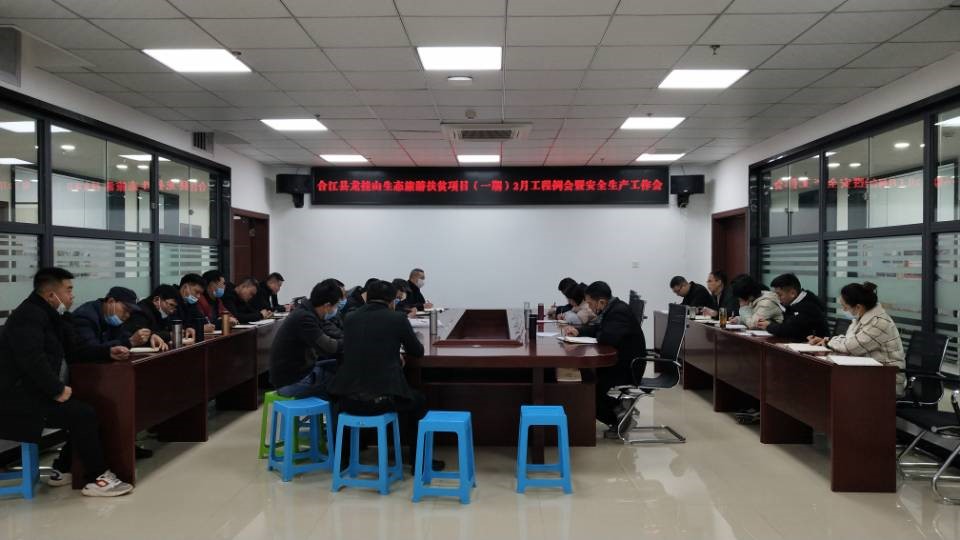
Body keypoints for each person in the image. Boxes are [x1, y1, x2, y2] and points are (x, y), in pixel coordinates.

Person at [0, 267, 133, 497]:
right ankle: (96, 478)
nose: (72, 296)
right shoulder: (28, 316)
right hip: (16, 399)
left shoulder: (56, 316)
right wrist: (57, 389)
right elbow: (31, 359)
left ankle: (65, 468)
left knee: (93, 407)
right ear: (51, 294)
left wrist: (107, 352)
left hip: (39, 393)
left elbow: (76, 350)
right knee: (83, 414)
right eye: (68, 290)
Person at [327, 280, 442, 471]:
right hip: (381, 401)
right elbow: (417, 351)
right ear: (391, 301)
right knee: (419, 400)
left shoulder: (350, 317)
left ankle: (344, 460)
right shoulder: (397, 319)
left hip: (346, 398)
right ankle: (420, 463)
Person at [562, 281, 646, 434]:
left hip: (627, 367)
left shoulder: (618, 311)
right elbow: (599, 329)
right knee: (584, 381)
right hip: (619, 361)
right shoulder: (612, 308)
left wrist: (599, 332)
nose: (589, 307)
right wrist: (579, 331)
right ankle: (619, 408)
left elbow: (606, 337)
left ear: (601, 302)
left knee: (587, 390)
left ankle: (620, 421)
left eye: (590, 303)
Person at [808, 282, 905, 386]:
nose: (843, 310)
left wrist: (828, 342)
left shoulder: (879, 323)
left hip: (887, 379)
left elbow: (851, 347)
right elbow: (848, 341)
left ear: (858, 307)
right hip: (866, 371)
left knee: (830, 383)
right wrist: (826, 342)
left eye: (845, 306)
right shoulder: (861, 318)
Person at [270, 280, 344, 399]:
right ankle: (334, 412)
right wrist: (351, 342)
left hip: (299, 372)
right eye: (336, 306)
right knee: (342, 379)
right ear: (327, 306)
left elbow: (332, 332)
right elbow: (329, 347)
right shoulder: (304, 318)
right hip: (290, 382)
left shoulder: (309, 311)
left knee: (338, 366)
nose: (336, 310)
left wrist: (347, 338)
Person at [72, 287, 164, 350]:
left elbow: (124, 336)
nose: (127, 315)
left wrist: (149, 338)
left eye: (130, 312)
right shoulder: (85, 317)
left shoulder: (112, 319)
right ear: (111, 301)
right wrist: (130, 342)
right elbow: (91, 349)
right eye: (125, 310)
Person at [757, 273, 828, 340]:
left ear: (792, 293)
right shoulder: (793, 304)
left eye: (780, 295)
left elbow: (791, 330)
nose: (778, 298)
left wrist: (769, 326)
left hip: (815, 345)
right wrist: (771, 324)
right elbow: (787, 325)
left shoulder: (809, 306)